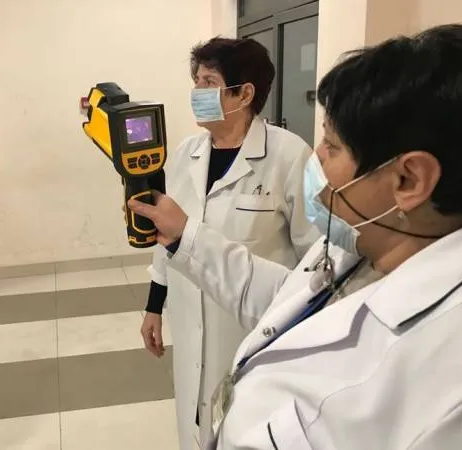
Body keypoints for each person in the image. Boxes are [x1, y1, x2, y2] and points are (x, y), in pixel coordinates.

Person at [130, 23, 462, 449]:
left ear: (409, 179)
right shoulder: (359, 246)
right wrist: (182, 240)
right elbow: (291, 296)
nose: (316, 159)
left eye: (332, 147)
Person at [139, 37, 320, 450]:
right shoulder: (185, 154)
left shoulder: (289, 156)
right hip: (189, 322)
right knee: (195, 422)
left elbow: (313, 257)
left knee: (246, 428)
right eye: (196, 81)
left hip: (250, 329)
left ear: (244, 94)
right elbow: (167, 240)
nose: (197, 92)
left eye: (210, 82)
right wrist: (153, 307)